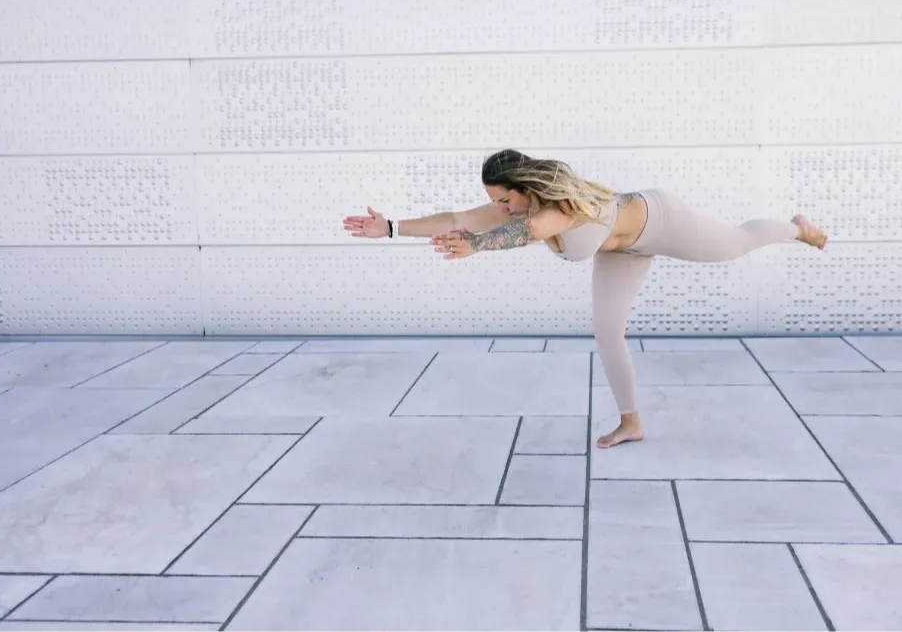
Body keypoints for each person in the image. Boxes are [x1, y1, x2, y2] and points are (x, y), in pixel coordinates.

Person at [343, 149, 828, 449]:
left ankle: (797, 228)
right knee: (608, 334)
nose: (501, 208)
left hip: (661, 221)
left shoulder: (561, 206)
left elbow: (531, 230)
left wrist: (478, 244)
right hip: (622, 251)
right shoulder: (516, 207)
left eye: (505, 199)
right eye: (496, 201)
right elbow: (456, 219)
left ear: (526, 189)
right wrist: (391, 227)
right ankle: (631, 423)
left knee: (736, 244)